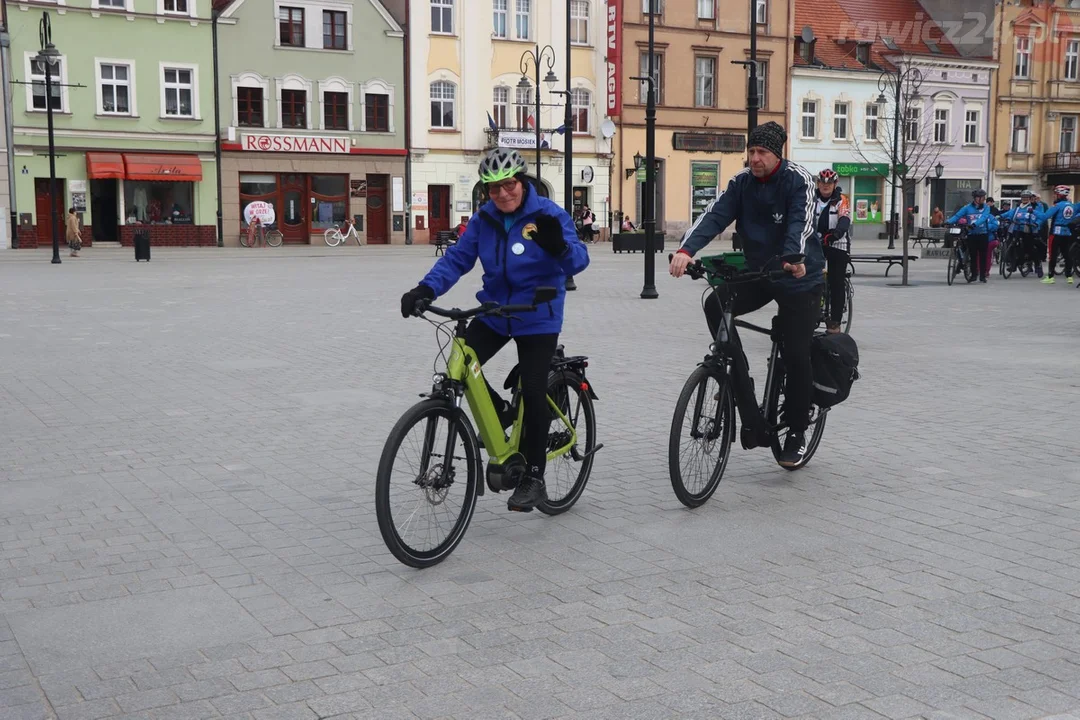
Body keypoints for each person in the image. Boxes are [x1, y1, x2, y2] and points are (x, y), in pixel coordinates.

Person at [399, 148, 590, 512]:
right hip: (496, 311)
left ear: (522, 182)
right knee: (461, 363)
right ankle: (501, 411)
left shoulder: (549, 214)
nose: (503, 194)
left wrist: (560, 247)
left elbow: (580, 260)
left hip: (537, 314)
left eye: (509, 185)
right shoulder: (483, 219)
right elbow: (458, 259)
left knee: (534, 391)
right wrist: (425, 289)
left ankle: (533, 477)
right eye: (493, 188)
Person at [670, 121, 824, 467]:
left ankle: (797, 432)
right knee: (715, 302)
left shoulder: (798, 180)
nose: (754, 158)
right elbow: (714, 216)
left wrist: (793, 258)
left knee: (796, 352)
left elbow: (801, 223)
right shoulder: (741, 183)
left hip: (800, 276)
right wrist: (685, 251)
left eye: (762, 152)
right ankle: (744, 392)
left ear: (777, 154)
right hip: (760, 273)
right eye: (751, 151)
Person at [812, 169, 851, 334]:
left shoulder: (842, 200)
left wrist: (836, 233)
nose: (825, 186)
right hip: (815, 243)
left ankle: (835, 322)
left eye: (829, 183)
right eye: (822, 182)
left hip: (837, 244)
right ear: (818, 183)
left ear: (835, 184)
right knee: (808, 278)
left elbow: (844, 219)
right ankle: (809, 312)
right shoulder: (811, 200)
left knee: (836, 281)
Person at [946, 189, 997, 283]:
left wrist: (974, 224)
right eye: (981, 197)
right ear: (976, 198)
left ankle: (982, 275)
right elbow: (958, 216)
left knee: (983, 255)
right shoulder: (967, 208)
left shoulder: (986, 208)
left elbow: (984, 218)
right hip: (972, 234)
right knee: (973, 255)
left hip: (983, 234)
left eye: (984, 197)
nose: (983, 199)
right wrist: (948, 222)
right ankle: (974, 275)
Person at [998, 190, 1044, 277]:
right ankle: (1013, 264)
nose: (1024, 199)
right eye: (1023, 198)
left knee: (1029, 248)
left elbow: (1041, 217)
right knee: (1012, 245)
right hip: (1017, 228)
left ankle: (1037, 264)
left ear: (1030, 198)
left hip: (1029, 229)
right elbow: (1010, 213)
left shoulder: (1035, 207)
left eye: (1026, 198)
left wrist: (1036, 223)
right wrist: (1001, 216)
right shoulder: (1018, 208)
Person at [1038, 185, 1076, 285]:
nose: (1054, 196)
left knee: (1053, 254)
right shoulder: (1071, 205)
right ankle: (1069, 276)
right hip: (1067, 232)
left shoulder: (1058, 206)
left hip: (1056, 232)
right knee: (1067, 254)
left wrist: (1033, 212)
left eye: (1055, 194)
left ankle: (1050, 276)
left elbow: (1045, 216)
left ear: (1059, 195)